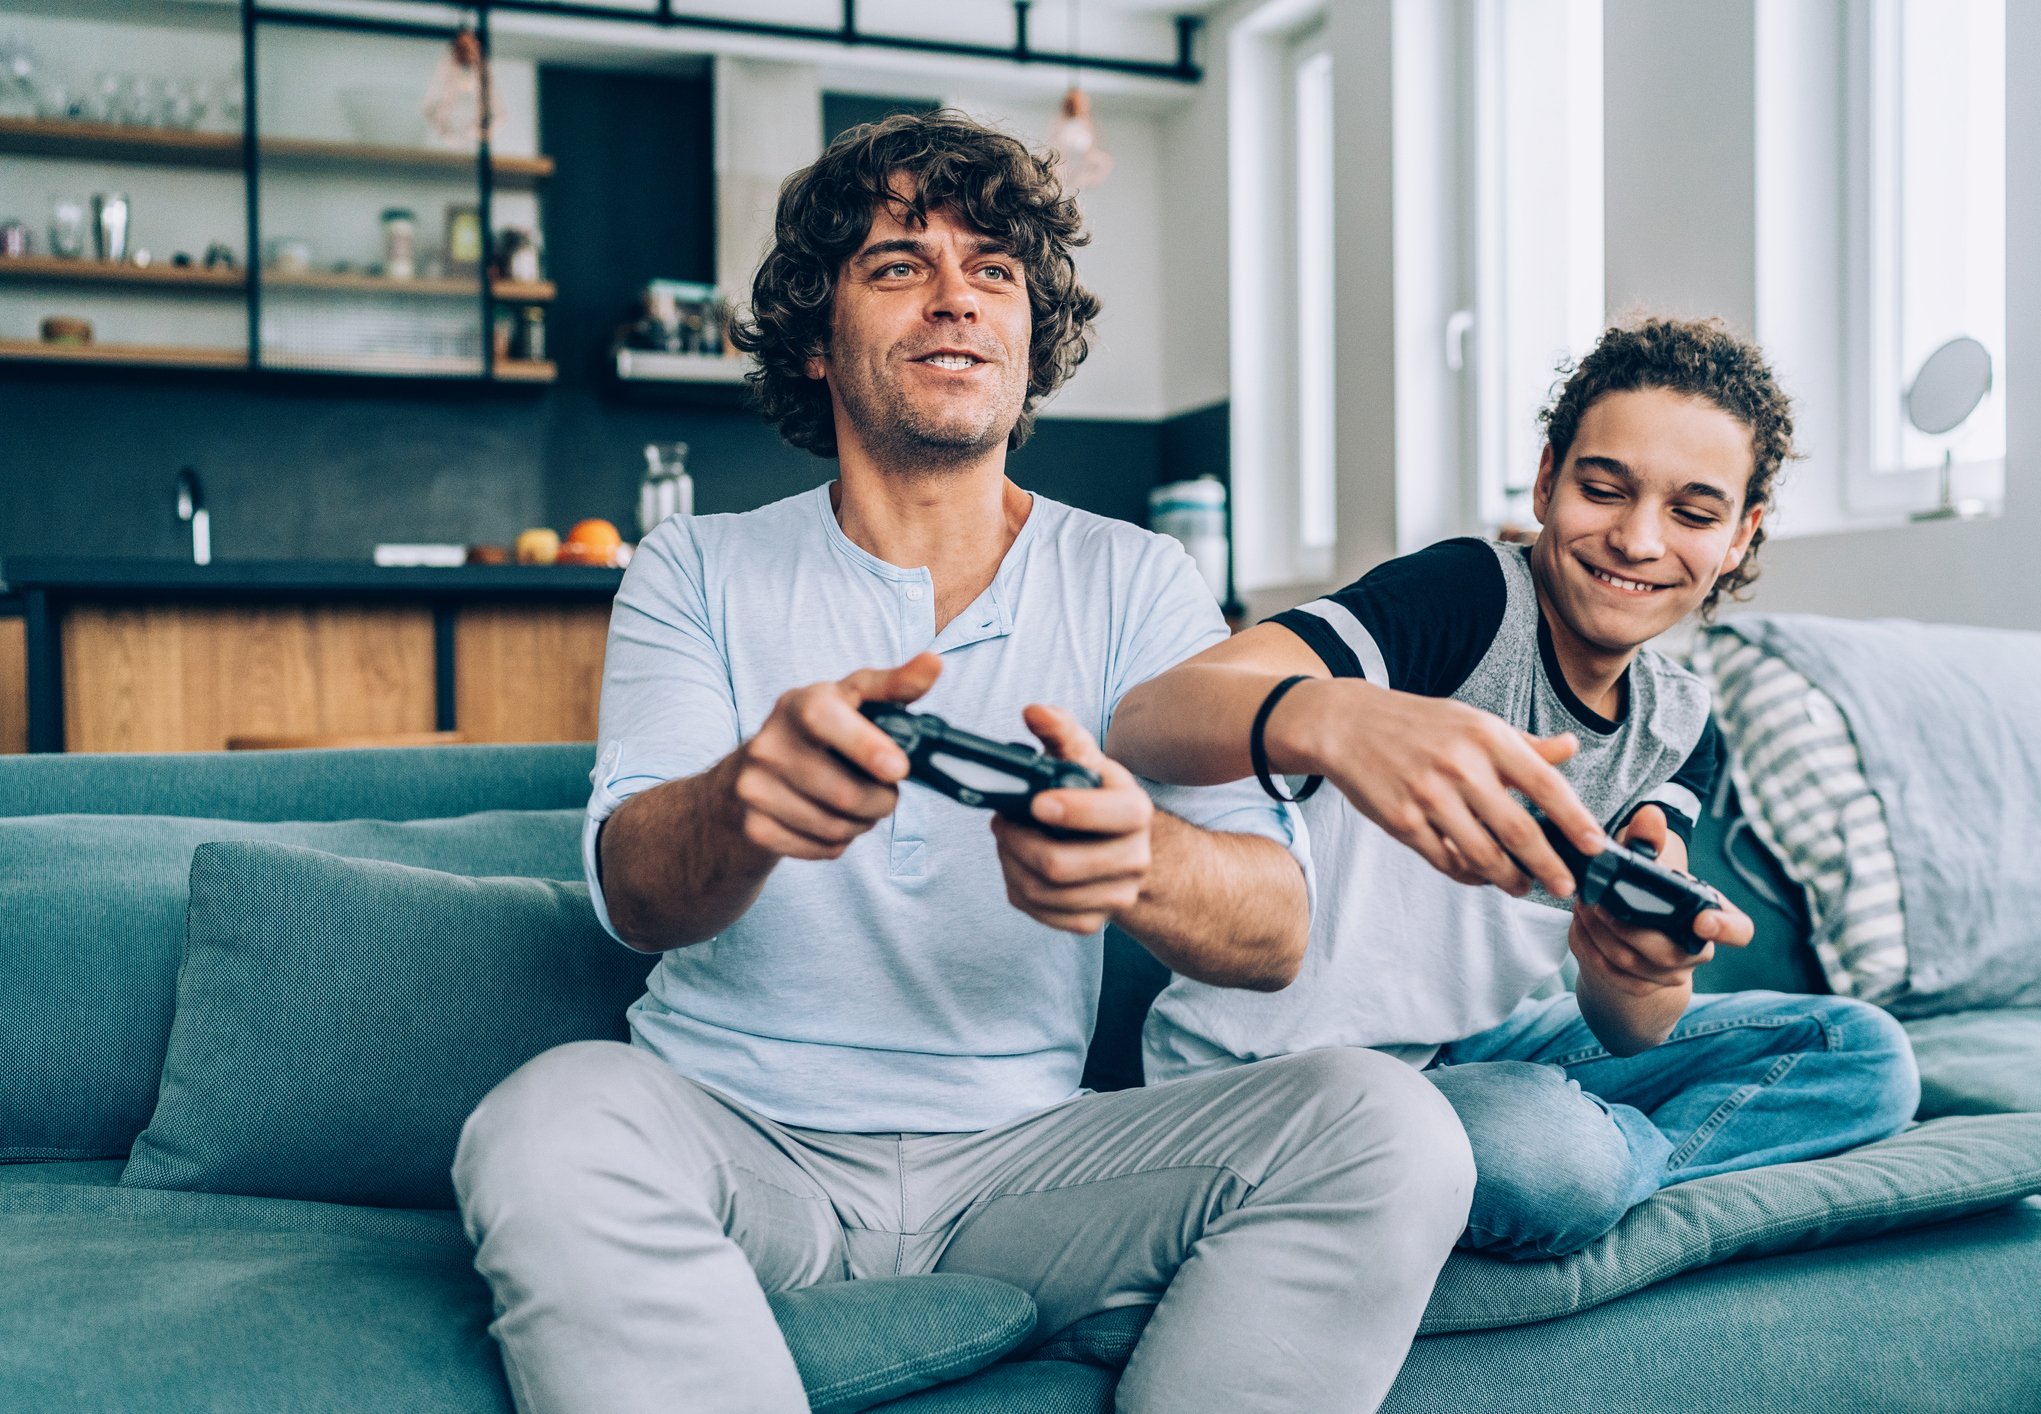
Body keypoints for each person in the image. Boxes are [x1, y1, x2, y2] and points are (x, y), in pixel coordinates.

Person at [451, 111, 1473, 1414]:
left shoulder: (1139, 577)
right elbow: (638, 892)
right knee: (545, 1123)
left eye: (992, 269)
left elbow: (1276, 931)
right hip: (737, 1133)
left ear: (1031, 331)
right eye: (897, 265)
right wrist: (744, 804)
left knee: (1386, 1126)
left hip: (1030, 1166)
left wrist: (1139, 857)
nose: (955, 300)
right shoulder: (695, 567)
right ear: (817, 341)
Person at [1110, 317, 1920, 1261]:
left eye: (1694, 515)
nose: (1637, 539)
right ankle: (1562, 1175)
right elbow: (1149, 718)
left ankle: (1594, 1173)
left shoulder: (1680, 724)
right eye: (1602, 488)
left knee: (1860, 1055)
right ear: (1546, 481)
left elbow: (1631, 1031)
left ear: (1739, 538)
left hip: (1474, 1055)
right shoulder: (1468, 599)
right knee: (1552, 1157)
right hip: (1274, 1077)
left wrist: (1641, 971)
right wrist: (1341, 718)